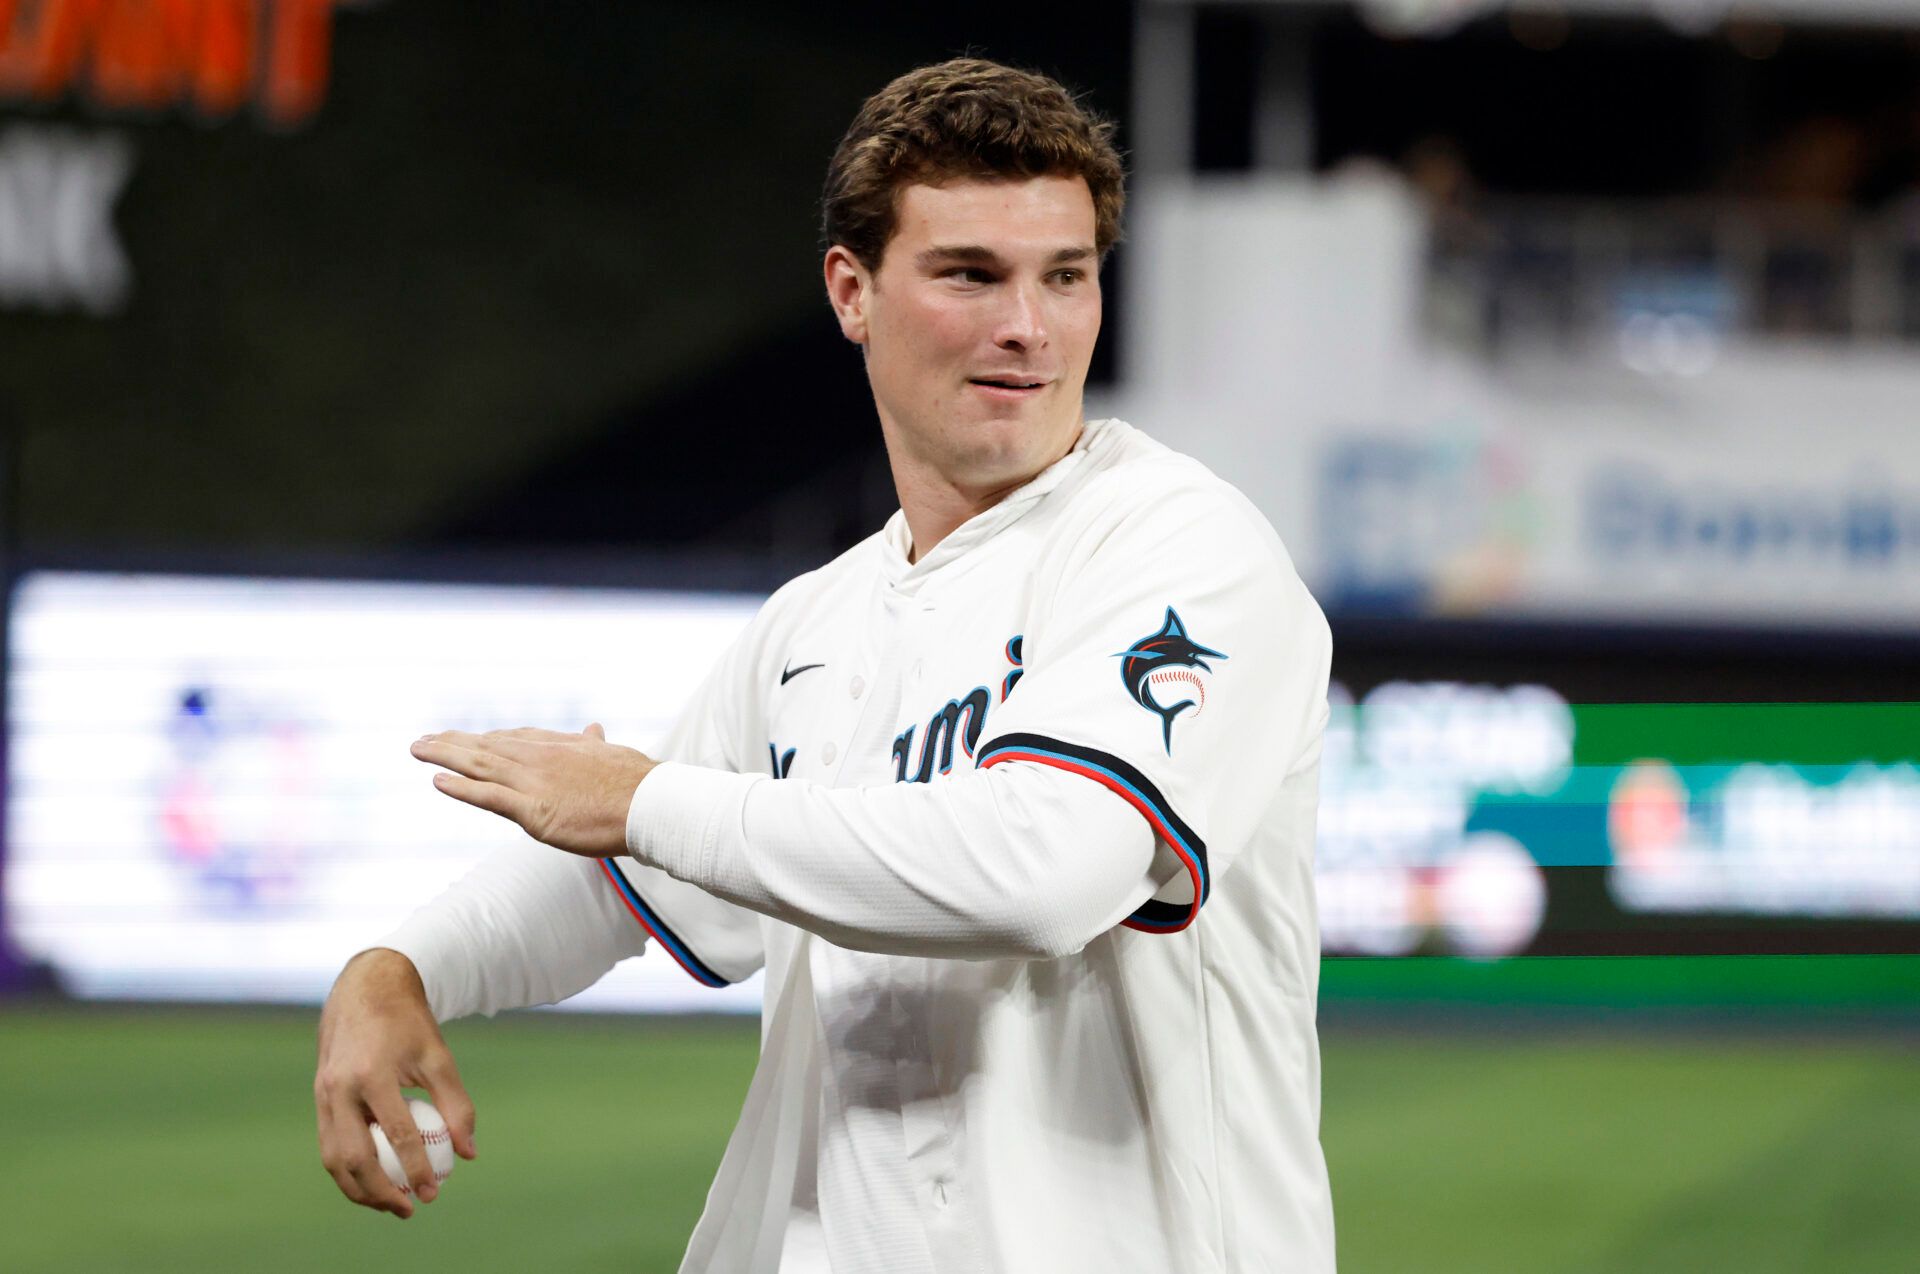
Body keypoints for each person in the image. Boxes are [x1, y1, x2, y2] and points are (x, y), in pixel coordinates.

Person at [315, 56, 1335, 1273]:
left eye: (1067, 276)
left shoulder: (1178, 543)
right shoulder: (818, 622)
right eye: (972, 273)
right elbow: (616, 878)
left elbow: (1047, 869)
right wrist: (400, 966)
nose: (1029, 323)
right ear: (851, 292)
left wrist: (644, 797)